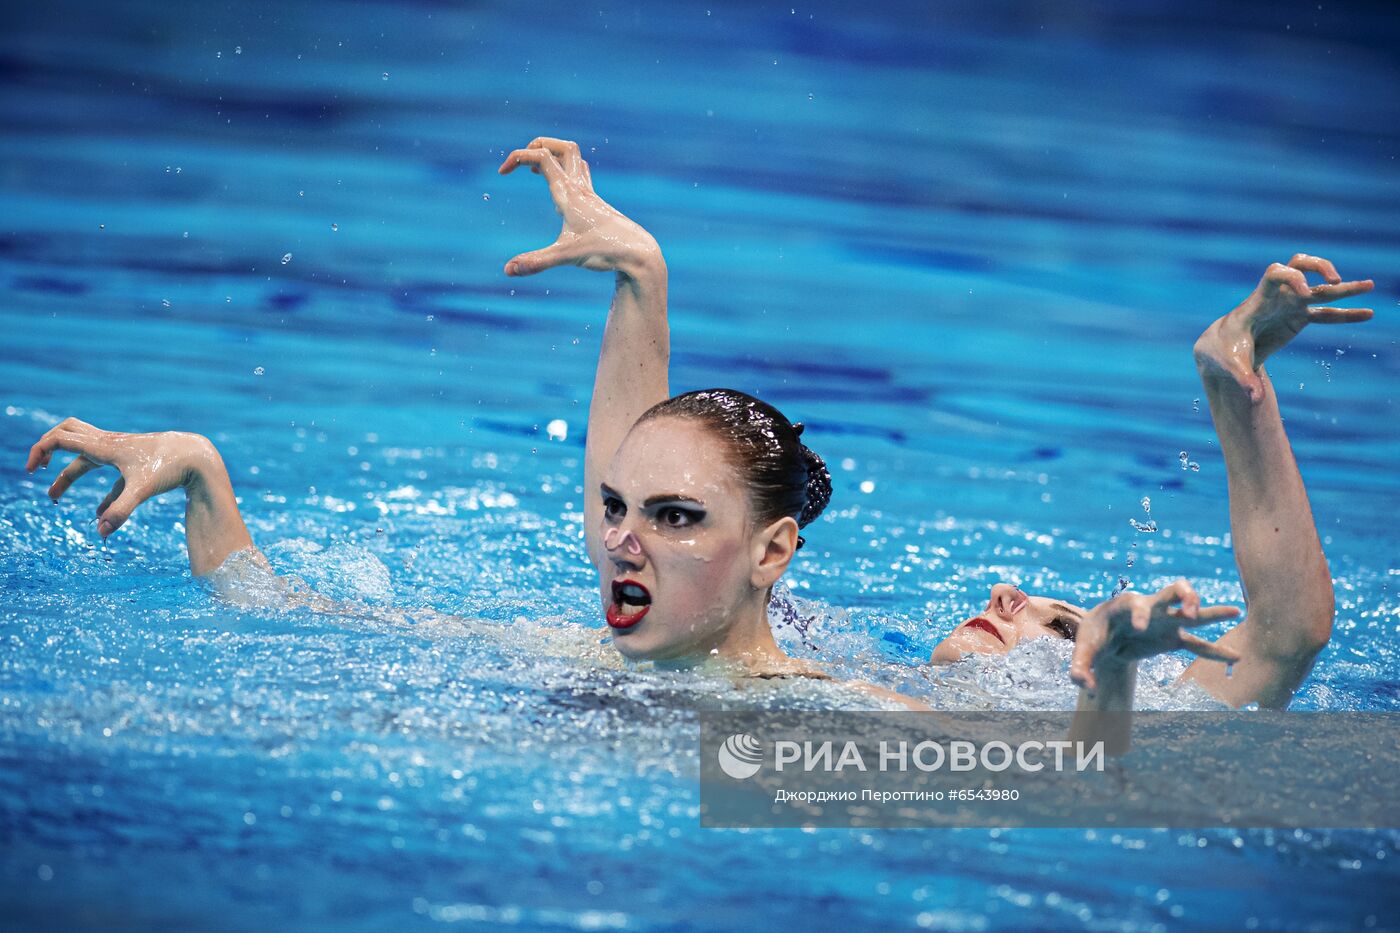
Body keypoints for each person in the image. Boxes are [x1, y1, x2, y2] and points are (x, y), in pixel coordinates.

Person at [25, 137, 1310, 719]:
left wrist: (1234, 390)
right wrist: (201, 471)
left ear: (772, 555)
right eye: (616, 521)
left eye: (672, 522)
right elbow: (278, 610)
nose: (620, 544)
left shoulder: (848, 710)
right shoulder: (598, 640)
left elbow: (1275, 656)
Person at [929, 254, 1375, 713]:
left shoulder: (1138, 722)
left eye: (1063, 631)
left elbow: (1289, 630)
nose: (1002, 593)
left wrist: (1234, 383)